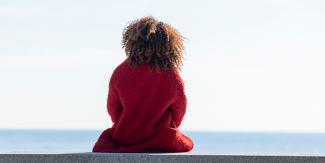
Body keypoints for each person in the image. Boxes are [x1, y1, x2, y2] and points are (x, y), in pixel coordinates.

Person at [92, 16, 194, 152]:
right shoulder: (171, 74)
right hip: (160, 136)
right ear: (169, 46)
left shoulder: (120, 71)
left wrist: (125, 123)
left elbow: (113, 108)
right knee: (188, 143)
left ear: (132, 43)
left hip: (125, 136)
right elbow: (179, 110)